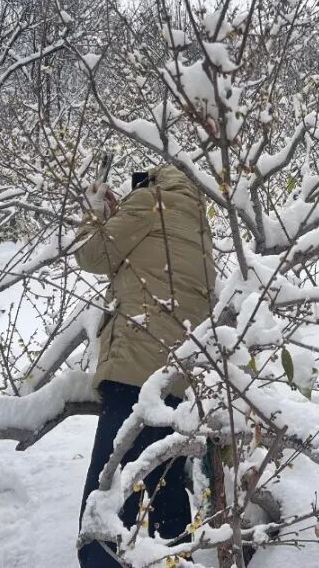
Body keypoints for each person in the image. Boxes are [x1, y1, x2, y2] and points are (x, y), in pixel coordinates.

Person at [75, 164, 216, 567]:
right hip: (177, 376)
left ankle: (101, 560)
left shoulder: (149, 200)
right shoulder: (197, 222)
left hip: (133, 369)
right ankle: (173, 560)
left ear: (152, 181)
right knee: (162, 483)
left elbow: (92, 254)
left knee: (109, 486)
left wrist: (95, 213)